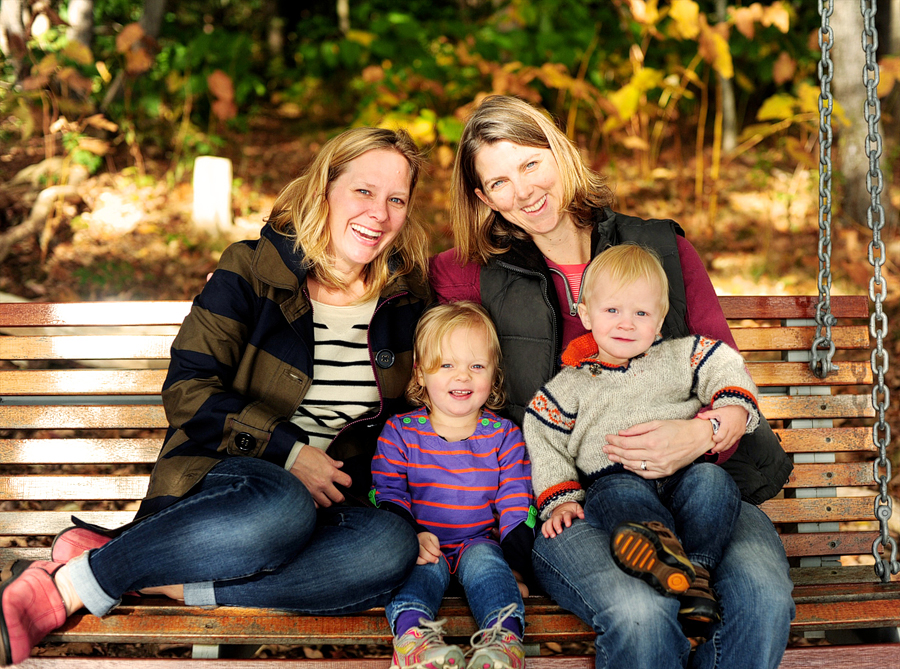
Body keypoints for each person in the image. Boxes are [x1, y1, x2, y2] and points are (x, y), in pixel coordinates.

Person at [0, 127, 433, 667]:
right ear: (325, 188)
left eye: (396, 199)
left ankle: (152, 579)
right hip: (230, 484)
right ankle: (65, 590)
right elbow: (188, 389)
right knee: (283, 503)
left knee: (389, 547)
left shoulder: (405, 302)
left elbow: (417, 418)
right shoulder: (253, 270)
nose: (379, 213)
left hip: (331, 504)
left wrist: (409, 514)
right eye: (364, 191)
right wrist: (290, 455)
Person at [430, 94, 795, 668]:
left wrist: (702, 434)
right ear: (483, 199)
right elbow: (444, 373)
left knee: (762, 598)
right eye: (498, 182)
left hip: (702, 481)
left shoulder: (661, 249)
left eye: (530, 163)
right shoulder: (466, 274)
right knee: (640, 613)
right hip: (572, 503)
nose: (523, 191)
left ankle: (687, 562)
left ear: (561, 152)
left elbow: (720, 361)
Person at [524, 243, 760, 641]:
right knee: (615, 494)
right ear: (586, 314)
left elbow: (724, 363)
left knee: (716, 483)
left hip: (685, 476)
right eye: (612, 310)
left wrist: (733, 407)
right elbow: (544, 436)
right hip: (619, 481)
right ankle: (656, 549)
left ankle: (693, 573)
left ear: (660, 321)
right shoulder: (572, 384)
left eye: (641, 313)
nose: (626, 324)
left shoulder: (678, 357)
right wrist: (560, 497)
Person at [371, 302, 534, 669]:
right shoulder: (400, 432)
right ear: (420, 374)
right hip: (423, 543)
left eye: (476, 366)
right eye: (447, 365)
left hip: (478, 543)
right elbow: (387, 491)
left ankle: (503, 645)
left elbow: (515, 498)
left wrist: (518, 565)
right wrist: (410, 533)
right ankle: (415, 645)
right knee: (418, 569)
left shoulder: (504, 436)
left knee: (490, 565)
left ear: (494, 374)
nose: (463, 376)